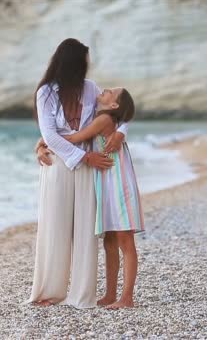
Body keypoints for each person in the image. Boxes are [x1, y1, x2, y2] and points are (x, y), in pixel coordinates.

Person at [23, 38, 127, 309]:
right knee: (54, 228)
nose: (88, 65)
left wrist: (121, 132)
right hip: (58, 166)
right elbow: (50, 134)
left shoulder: (91, 89)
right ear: (74, 63)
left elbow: (121, 112)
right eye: (85, 60)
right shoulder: (46, 92)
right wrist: (81, 155)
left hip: (87, 171)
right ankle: (49, 291)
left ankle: (82, 295)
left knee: (85, 233)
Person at [62, 87, 144, 309]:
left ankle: (127, 298)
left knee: (125, 241)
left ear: (114, 105)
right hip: (107, 185)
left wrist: (45, 141)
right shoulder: (107, 118)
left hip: (119, 184)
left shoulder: (105, 119)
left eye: (111, 92)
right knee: (109, 242)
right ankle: (110, 295)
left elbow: (75, 138)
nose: (105, 89)